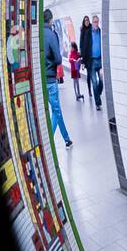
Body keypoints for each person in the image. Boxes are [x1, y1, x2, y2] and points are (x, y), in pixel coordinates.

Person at [42, 9, 73, 149]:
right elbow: (58, 59)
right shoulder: (51, 34)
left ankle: (67, 139)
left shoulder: (37, 34)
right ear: (50, 20)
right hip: (50, 79)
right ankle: (48, 141)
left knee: (57, 109)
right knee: (56, 111)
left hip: (41, 80)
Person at [81, 13, 105, 110]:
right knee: (94, 82)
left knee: (101, 82)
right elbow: (84, 47)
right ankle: (97, 103)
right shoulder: (88, 33)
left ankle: (97, 94)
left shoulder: (101, 32)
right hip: (91, 62)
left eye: (97, 22)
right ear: (92, 22)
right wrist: (83, 60)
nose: (96, 23)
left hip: (100, 61)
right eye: (94, 22)